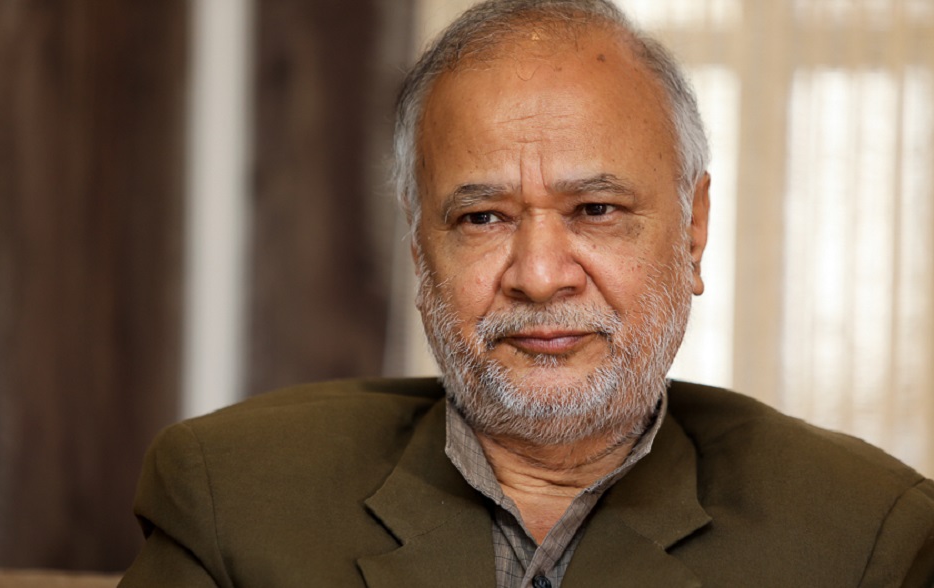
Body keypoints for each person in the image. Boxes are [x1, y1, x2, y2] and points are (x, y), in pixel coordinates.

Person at [119, 0, 934, 586]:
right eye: (482, 218)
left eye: (597, 210)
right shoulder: (232, 500)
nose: (540, 275)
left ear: (692, 230)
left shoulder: (867, 540)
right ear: (418, 245)